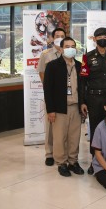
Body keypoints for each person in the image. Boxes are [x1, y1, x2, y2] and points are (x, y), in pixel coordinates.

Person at [80, 27, 106, 174]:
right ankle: (94, 161)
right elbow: (82, 81)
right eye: (100, 36)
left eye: (105, 35)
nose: (103, 38)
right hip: (94, 99)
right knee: (96, 130)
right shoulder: (88, 57)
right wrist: (83, 102)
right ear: (94, 39)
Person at [44, 37, 85, 176]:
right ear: (61, 49)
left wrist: (83, 104)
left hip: (75, 107)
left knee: (74, 136)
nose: (70, 48)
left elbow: (83, 88)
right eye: (67, 46)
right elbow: (47, 89)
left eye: (73, 46)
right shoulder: (53, 66)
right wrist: (51, 110)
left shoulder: (80, 66)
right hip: (60, 108)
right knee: (59, 137)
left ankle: (73, 161)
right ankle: (61, 163)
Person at [39, 27, 66, 166]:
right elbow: (42, 73)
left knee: (63, 127)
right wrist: (49, 89)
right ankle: (49, 153)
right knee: (50, 125)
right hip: (52, 95)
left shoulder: (68, 52)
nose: (60, 37)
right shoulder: (46, 54)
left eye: (62, 35)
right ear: (52, 37)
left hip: (67, 96)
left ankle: (62, 152)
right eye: (57, 35)